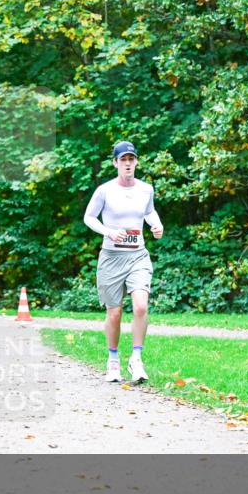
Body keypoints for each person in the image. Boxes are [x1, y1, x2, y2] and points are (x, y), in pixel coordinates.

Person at [83, 141, 164, 384]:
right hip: (111, 257)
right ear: (115, 163)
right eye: (123, 160)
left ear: (136, 162)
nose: (128, 164)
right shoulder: (104, 190)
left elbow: (149, 211)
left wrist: (156, 224)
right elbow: (88, 217)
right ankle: (113, 360)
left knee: (140, 307)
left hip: (137, 255)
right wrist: (108, 232)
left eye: (132, 159)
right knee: (115, 313)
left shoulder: (146, 189)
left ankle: (136, 358)